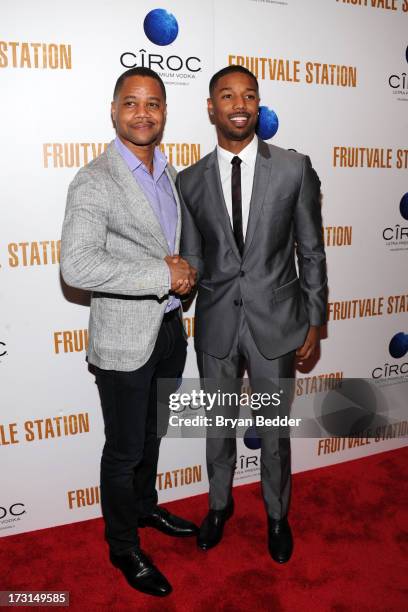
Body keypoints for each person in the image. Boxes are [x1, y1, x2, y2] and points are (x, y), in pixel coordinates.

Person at [177, 65, 328, 563]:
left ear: (257, 105)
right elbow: (194, 257)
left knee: (274, 431)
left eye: (248, 96)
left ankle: (278, 515)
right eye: (227, 95)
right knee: (218, 424)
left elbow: (311, 249)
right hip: (218, 322)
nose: (238, 104)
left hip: (277, 323)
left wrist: (314, 317)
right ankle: (218, 507)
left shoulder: (293, 167)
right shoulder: (190, 180)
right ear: (211, 107)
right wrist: (167, 277)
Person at [61, 67, 198, 597]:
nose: (143, 113)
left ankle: (144, 510)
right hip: (122, 340)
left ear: (165, 111)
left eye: (154, 103)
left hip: (168, 331)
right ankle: (123, 546)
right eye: (131, 103)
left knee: (151, 436)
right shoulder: (94, 179)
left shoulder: (170, 172)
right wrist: (162, 274)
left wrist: (183, 278)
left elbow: (174, 248)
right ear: (114, 111)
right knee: (123, 450)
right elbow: (77, 266)